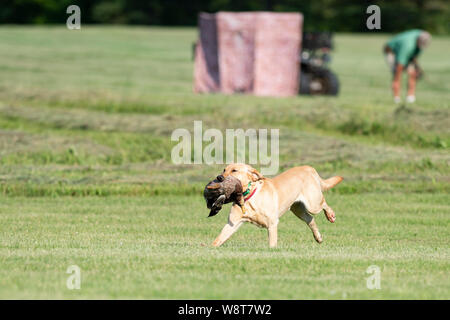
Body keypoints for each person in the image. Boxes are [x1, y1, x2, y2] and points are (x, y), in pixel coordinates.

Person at [383, 29, 431, 104]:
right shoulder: (407, 46)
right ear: (418, 41)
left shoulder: (423, 37)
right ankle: (396, 98)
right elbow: (400, 65)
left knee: (413, 73)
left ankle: (410, 97)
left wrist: (417, 69)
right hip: (391, 51)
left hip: (406, 51)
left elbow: (414, 56)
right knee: (397, 74)